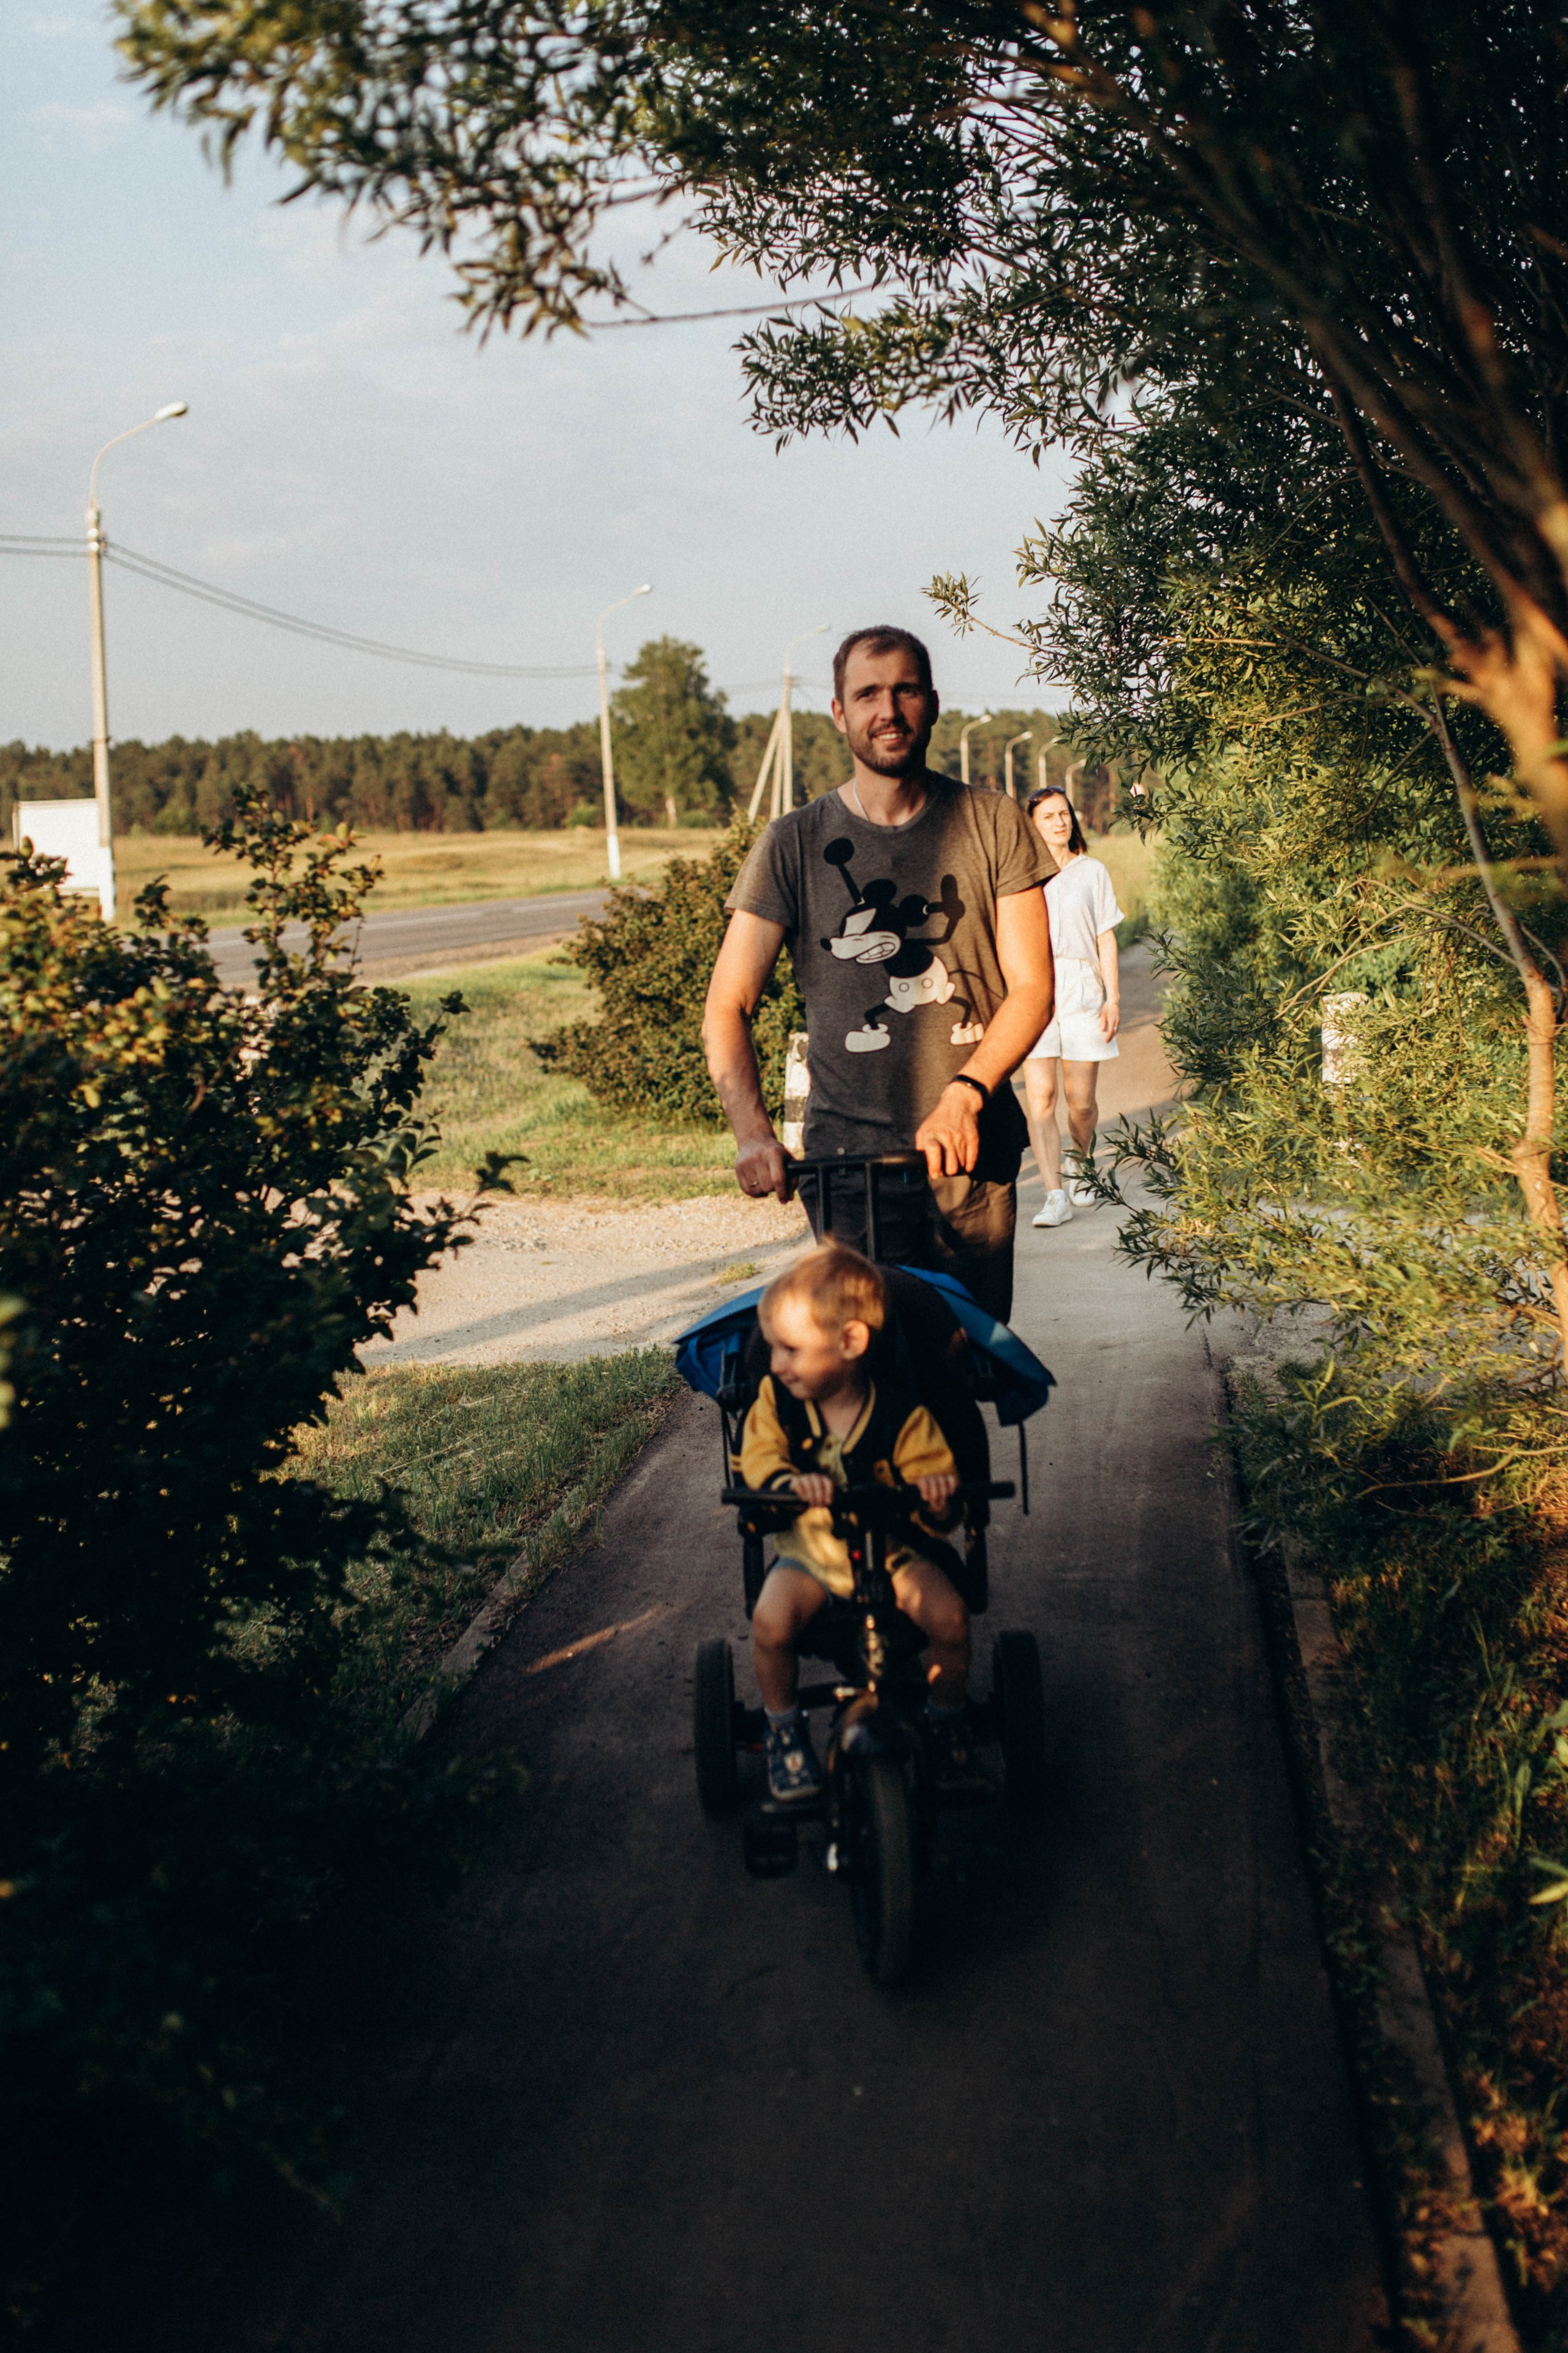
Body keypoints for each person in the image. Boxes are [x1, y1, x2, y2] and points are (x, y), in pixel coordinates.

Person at [703, 625, 1054, 1322]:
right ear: (839, 712)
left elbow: (1034, 987)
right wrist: (751, 1132)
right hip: (843, 1169)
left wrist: (964, 1096)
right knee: (861, 1367)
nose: (886, 710)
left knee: (957, 1363)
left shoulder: (992, 822)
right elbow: (726, 1005)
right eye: (866, 694)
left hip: (969, 1156)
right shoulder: (793, 842)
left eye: (904, 690)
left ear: (930, 702)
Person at [738, 1244, 989, 1800]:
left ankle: (946, 1719)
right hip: (811, 1554)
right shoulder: (776, 1404)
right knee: (770, 1624)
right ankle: (784, 1729)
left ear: (850, 1342)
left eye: (790, 1349)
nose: (775, 1363)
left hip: (893, 1549)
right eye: (773, 1348)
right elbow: (757, 1459)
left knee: (949, 1618)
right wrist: (786, 1484)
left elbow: (933, 1483)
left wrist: (937, 1496)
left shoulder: (901, 1414)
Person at [1021, 785, 1123, 1229]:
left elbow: (1106, 936)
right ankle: (1054, 1193)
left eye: (1064, 814)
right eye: (1049, 816)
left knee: (1081, 1103)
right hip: (1034, 989)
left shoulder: (1092, 872)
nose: (1060, 822)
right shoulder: (1020, 876)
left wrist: (1113, 997)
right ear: (1033, 825)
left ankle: (1082, 1165)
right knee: (1041, 1095)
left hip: (1083, 989)